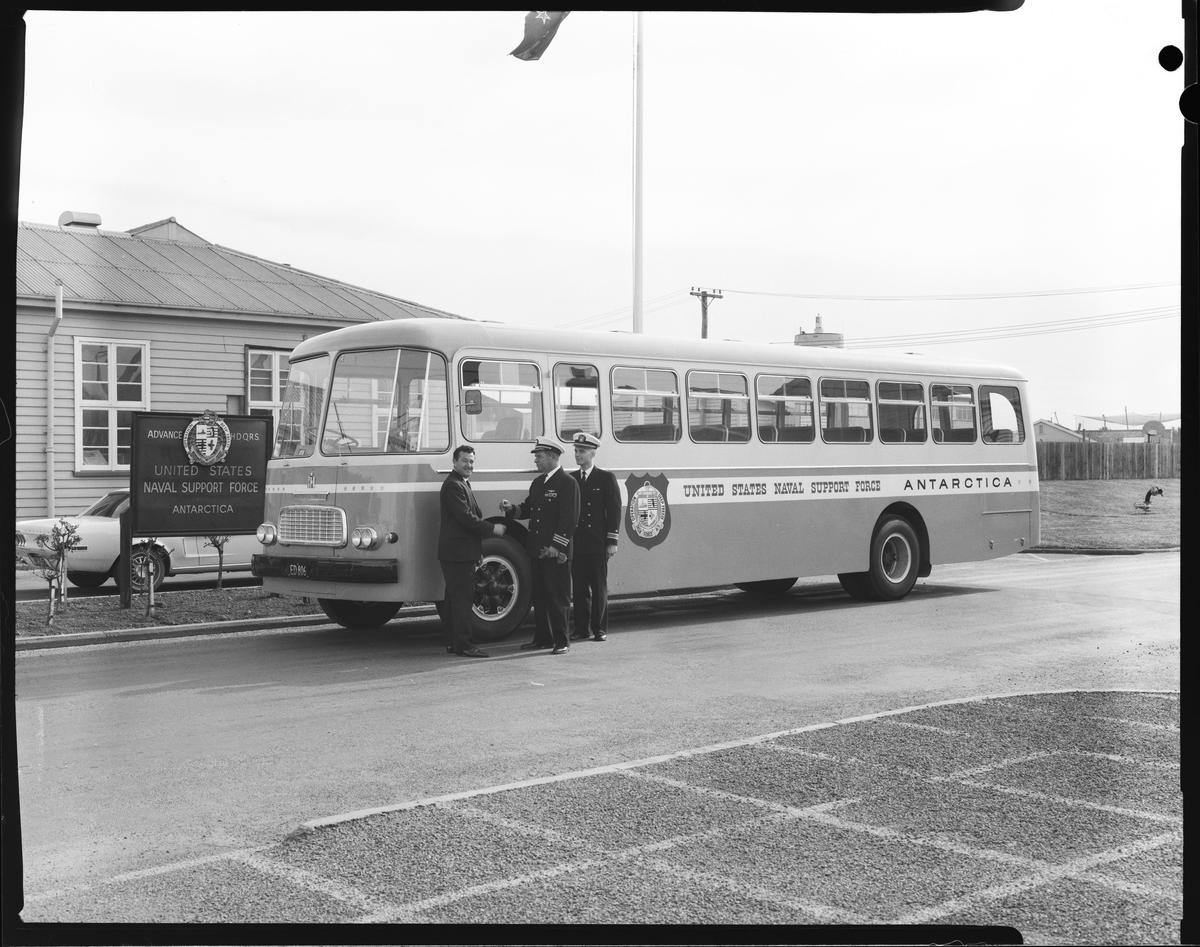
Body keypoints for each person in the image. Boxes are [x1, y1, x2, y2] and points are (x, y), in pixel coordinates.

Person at [499, 436, 580, 655]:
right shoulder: (538, 483)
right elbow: (528, 509)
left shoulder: (568, 483)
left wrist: (557, 547)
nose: (536, 460)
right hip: (536, 551)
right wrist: (511, 509)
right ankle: (543, 638)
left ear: (553, 457)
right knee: (540, 597)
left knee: (557, 597)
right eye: (536, 456)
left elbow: (569, 520)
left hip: (555, 553)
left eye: (539, 456)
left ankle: (561, 640)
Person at [438, 445, 506, 658]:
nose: (469, 465)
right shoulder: (453, 485)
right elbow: (465, 518)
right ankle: (464, 645)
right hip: (458, 554)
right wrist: (491, 529)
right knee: (462, 600)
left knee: (453, 600)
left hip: (459, 552)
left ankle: (454, 642)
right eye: (465, 461)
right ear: (455, 462)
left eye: (472, 461)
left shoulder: (461, 483)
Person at [568, 432, 620, 642]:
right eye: (576, 451)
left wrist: (612, 541)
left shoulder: (606, 478)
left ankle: (599, 628)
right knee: (579, 589)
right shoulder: (571, 479)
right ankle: (581, 628)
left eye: (581, 451)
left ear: (592, 453)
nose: (578, 455)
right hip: (578, 543)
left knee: (598, 588)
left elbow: (614, 510)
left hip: (597, 543)